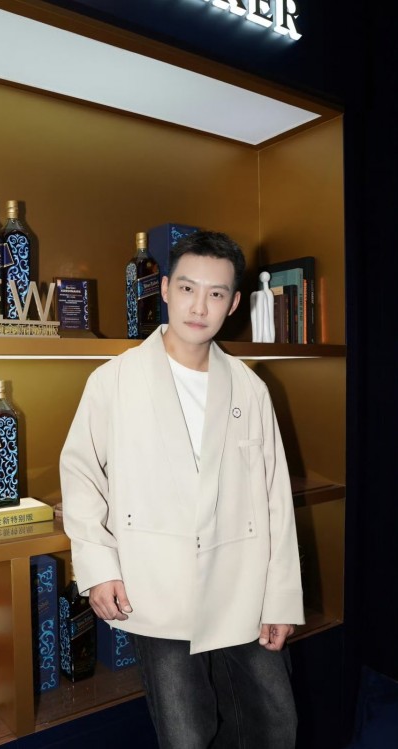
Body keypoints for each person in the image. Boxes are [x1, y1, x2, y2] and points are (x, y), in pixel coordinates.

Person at [60, 230, 305, 749]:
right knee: (186, 735)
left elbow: (275, 499)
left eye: (216, 294)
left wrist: (280, 598)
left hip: (243, 584)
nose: (199, 306)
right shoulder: (114, 380)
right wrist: (99, 567)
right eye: (189, 289)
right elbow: (81, 474)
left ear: (233, 304)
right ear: (166, 288)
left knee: (274, 724)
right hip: (157, 583)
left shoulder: (251, 388)